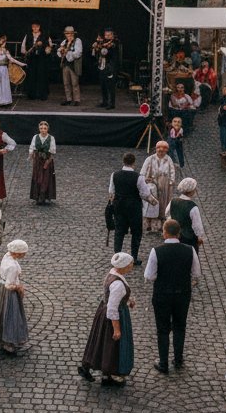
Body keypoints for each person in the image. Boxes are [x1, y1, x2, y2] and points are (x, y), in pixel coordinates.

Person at [144, 218, 201, 374]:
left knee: (162, 329)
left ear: (164, 232)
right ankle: (178, 358)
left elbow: (149, 276)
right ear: (179, 233)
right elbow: (196, 273)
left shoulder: (156, 251)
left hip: (162, 294)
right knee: (180, 326)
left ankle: (163, 363)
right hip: (182, 294)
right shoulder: (190, 250)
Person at [78, 252, 135, 387]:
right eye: (130, 264)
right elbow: (112, 308)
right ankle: (110, 374)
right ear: (123, 266)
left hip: (104, 312)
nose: (131, 266)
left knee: (101, 342)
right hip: (112, 316)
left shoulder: (113, 273)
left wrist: (127, 301)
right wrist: (116, 329)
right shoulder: (118, 284)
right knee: (112, 345)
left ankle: (99, 371)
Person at [109, 152, 156, 260]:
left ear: (123, 162)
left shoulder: (114, 175)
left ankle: (117, 257)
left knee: (119, 231)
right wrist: (153, 201)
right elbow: (145, 194)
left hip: (119, 206)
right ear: (134, 162)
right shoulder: (138, 177)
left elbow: (111, 192)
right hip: (134, 207)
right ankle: (134, 256)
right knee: (136, 232)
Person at [0, 239, 30, 357]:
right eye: (23, 253)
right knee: (11, 317)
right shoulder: (13, 267)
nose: (24, 255)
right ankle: (9, 346)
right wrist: (19, 288)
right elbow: (9, 285)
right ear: (17, 253)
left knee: (2, 315)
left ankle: (3, 342)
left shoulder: (7, 256)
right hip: (9, 294)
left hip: (1, 289)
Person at [140, 141, 176, 233]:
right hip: (152, 185)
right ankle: (148, 224)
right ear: (156, 150)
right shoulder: (150, 159)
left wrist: (171, 182)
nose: (161, 153)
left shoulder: (168, 159)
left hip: (164, 186)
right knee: (151, 204)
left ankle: (162, 225)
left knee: (163, 204)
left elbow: (172, 171)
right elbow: (142, 172)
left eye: (163, 151)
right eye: (159, 151)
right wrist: (144, 180)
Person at [167, 177, 206, 251]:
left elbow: (167, 214)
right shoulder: (193, 207)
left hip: (175, 236)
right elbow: (197, 225)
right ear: (191, 191)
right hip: (189, 240)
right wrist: (200, 237)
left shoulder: (173, 201)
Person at [20, 22, 51, 100]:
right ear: (31, 27)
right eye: (33, 27)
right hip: (32, 58)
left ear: (39, 27)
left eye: (36, 27)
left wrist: (47, 49)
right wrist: (25, 53)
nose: (35, 28)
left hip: (42, 58)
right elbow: (23, 47)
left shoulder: (45, 35)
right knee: (31, 76)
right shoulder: (28, 35)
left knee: (41, 76)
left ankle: (42, 95)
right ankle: (31, 95)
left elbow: (50, 46)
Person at [28, 121, 56, 205]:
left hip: (47, 159)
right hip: (37, 160)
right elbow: (32, 147)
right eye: (41, 128)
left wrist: (48, 161)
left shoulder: (51, 138)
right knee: (38, 178)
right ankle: (37, 196)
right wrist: (31, 155)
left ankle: (45, 196)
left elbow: (53, 150)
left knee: (46, 178)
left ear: (47, 129)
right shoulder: (35, 137)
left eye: (45, 128)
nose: (43, 130)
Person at [92, 28, 120, 109]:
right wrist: (96, 45)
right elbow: (97, 50)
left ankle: (112, 103)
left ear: (112, 35)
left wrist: (99, 44)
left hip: (110, 67)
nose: (107, 36)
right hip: (102, 66)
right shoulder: (102, 42)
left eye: (109, 35)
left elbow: (106, 49)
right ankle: (105, 101)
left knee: (110, 86)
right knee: (103, 85)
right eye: (106, 35)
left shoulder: (115, 42)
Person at [57, 26, 83, 105]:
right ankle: (68, 99)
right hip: (65, 65)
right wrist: (61, 52)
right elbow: (58, 52)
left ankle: (77, 100)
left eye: (71, 33)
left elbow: (78, 53)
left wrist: (68, 53)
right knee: (66, 83)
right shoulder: (64, 42)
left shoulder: (77, 41)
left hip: (74, 64)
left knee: (75, 83)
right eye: (67, 33)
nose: (69, 35)